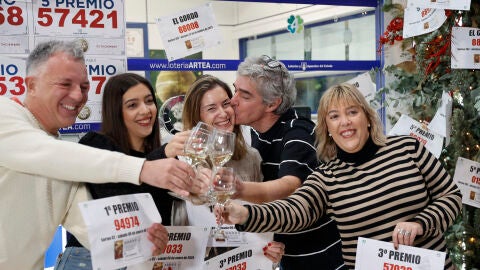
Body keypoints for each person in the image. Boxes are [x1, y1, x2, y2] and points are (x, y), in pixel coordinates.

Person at [220, 83, 463, 269]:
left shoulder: (407, 148)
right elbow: (292, 211)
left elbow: (451, 196)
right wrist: (244, 213)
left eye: (352, 112)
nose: (344, 122)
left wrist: (420, 224)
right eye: (334, 116)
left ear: (367, 117)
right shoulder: (327, 177)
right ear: (327, 128)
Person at [0, 40, 197, 270]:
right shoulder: (6, 114)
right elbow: (46, 153)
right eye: (65, 84)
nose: (77, 96)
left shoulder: (65, 164)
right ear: (31, 85)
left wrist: (141, 240)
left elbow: (93, 231)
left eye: (84, 87)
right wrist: (145, 168)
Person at [55, 73, 202, 269]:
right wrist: (163, 154)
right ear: (116, 111)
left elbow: (158, 218)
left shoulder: (161, 155)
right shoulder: (96, 144)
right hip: (89, 260)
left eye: (149, 101)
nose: (145, 110)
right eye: (132, 105)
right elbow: (119, 200)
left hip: (140, 262)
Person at [229, 55, 345, 269]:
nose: (232, 100)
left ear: (273, 104)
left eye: (244, 96)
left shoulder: (298, 132)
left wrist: (238, 189)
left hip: (318, 258)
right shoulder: (257, 132)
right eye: (235, 89)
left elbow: (290, 186)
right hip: (286, 255)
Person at [181, 74, 285, 264]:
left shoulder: (251, 157)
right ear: (197, 117)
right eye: (212, 108)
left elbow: (260, 216)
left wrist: (269, 248)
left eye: (226, 104)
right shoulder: (183, 161)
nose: (223, 113)